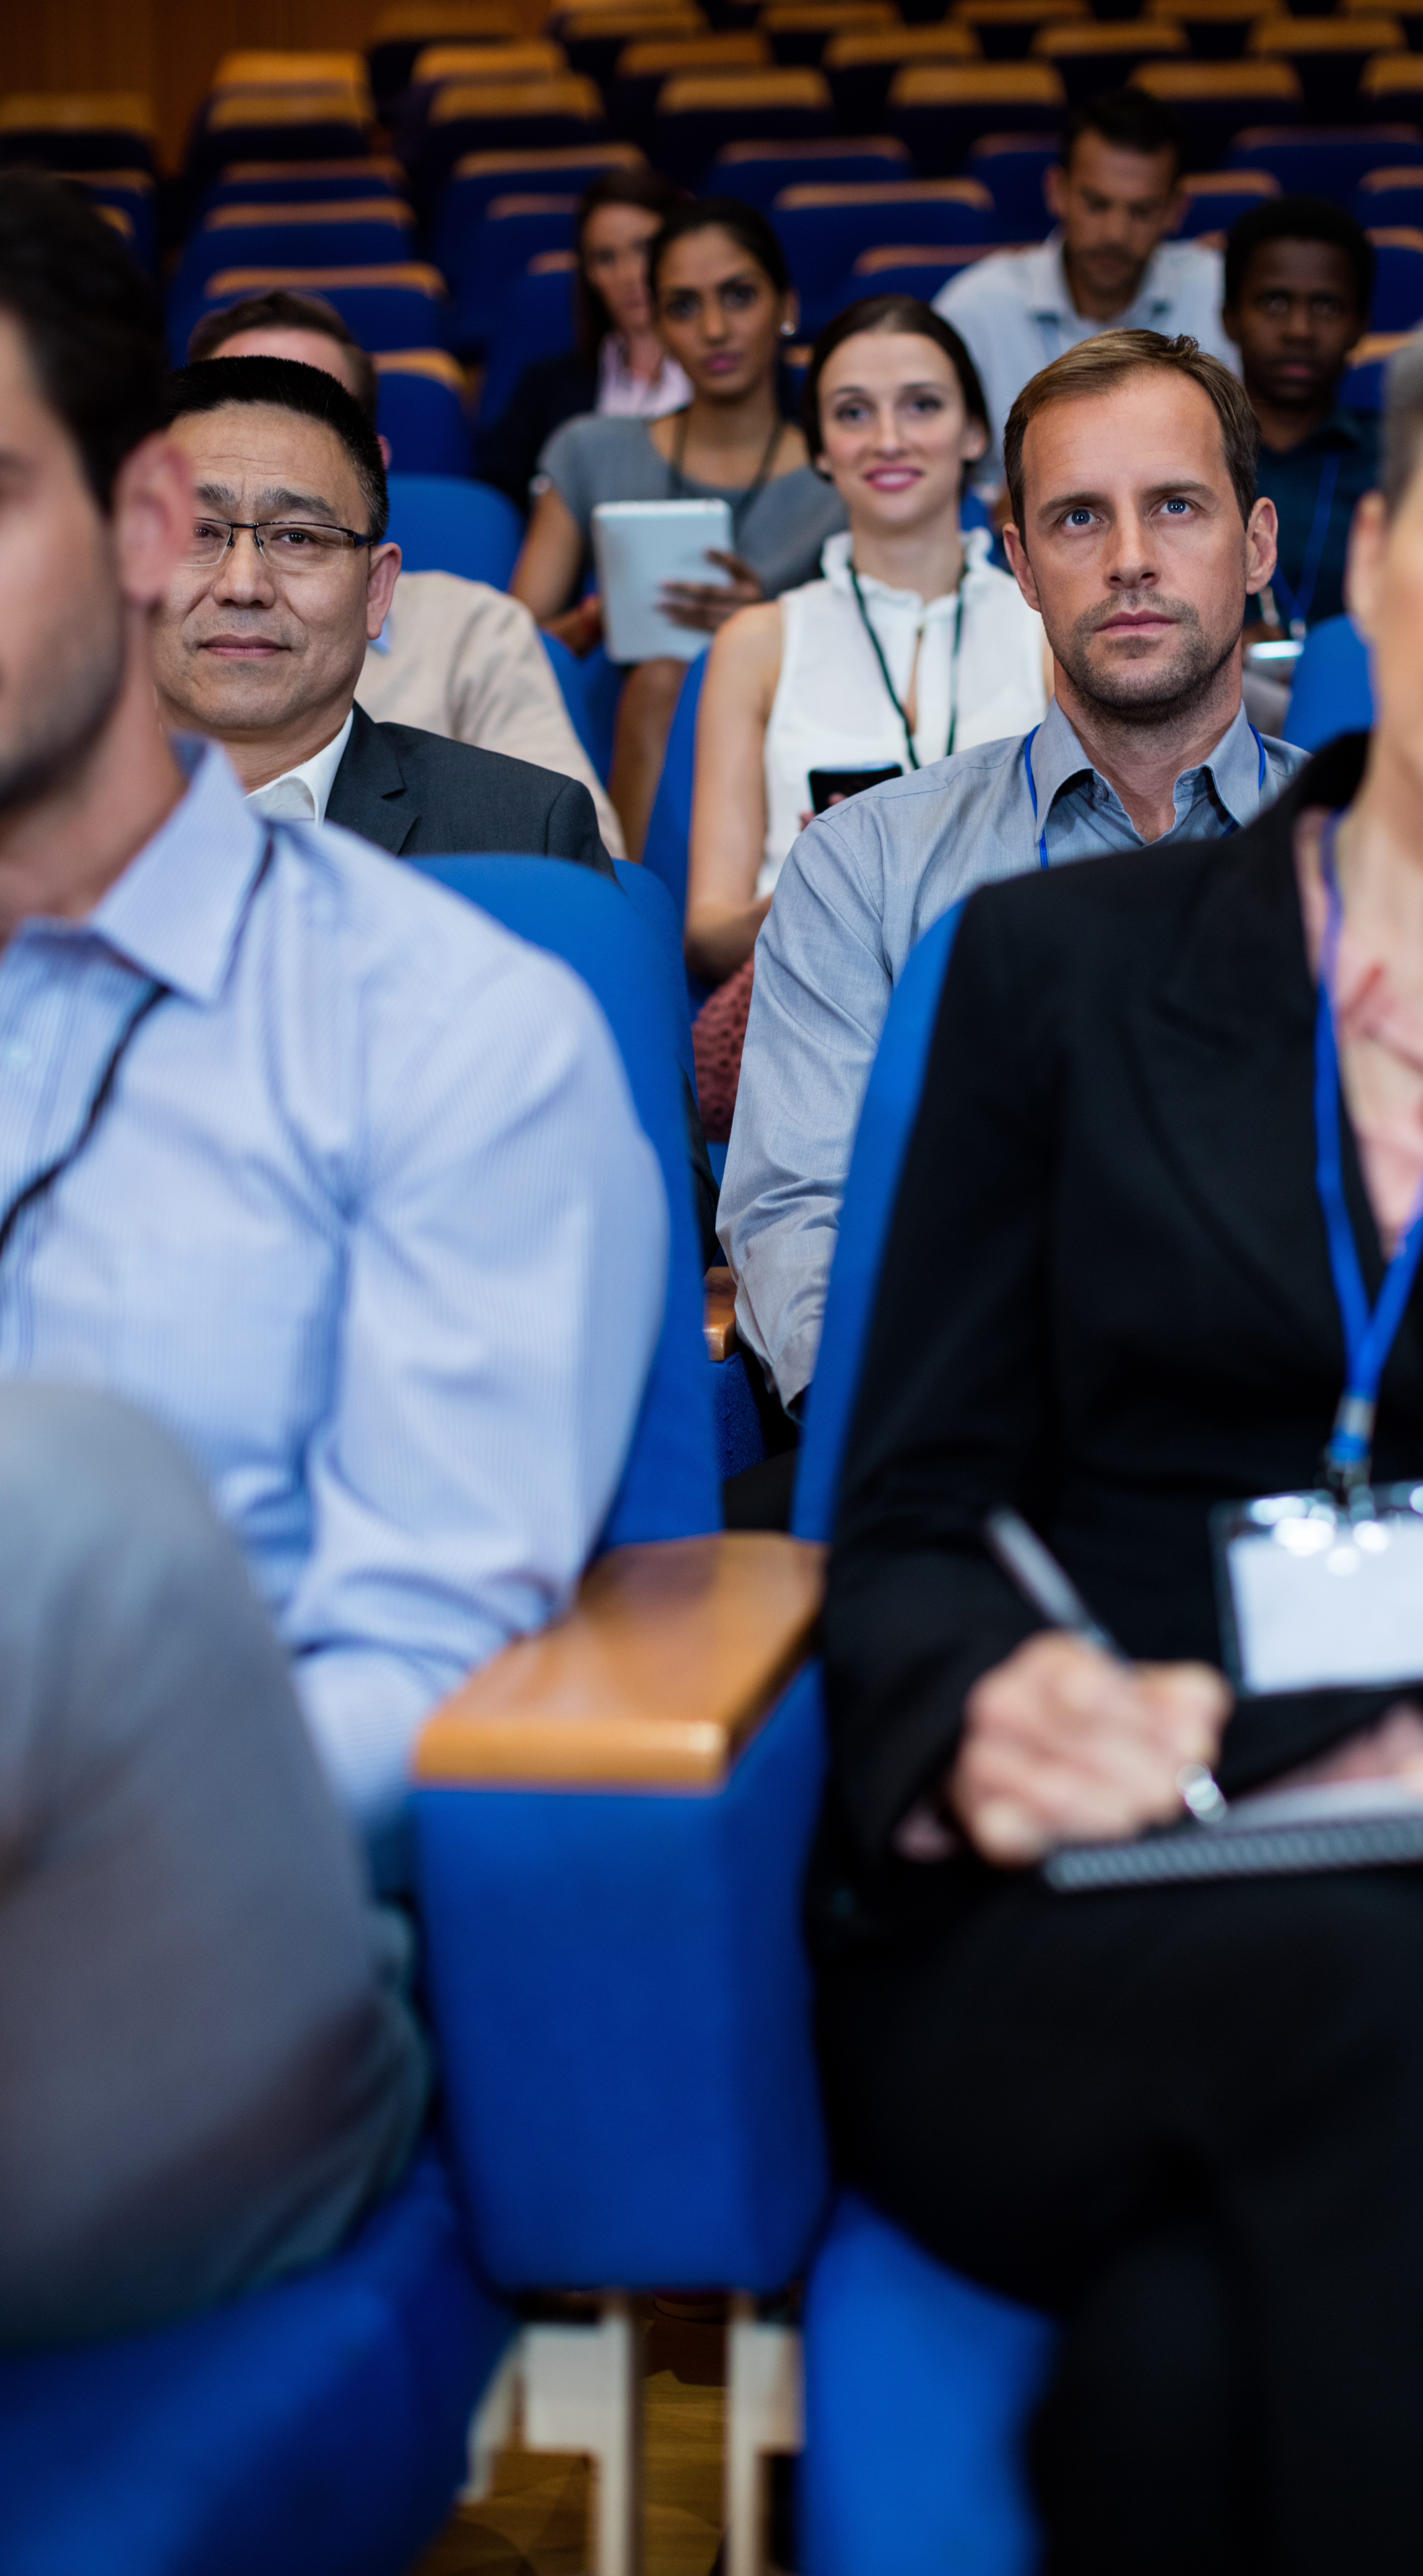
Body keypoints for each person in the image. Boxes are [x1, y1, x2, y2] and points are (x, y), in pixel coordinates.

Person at [815, 262, 1423, 2576]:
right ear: (1375, 555)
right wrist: (990, 1697)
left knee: (1190, 2365)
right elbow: (908, 1511)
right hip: (1106, 1904)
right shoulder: (1048, 976)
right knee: (1416, 2018)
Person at [0, 176, 666, 2341]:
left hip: (209, 1949)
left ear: (141, 524)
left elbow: (423, 1653)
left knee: (64, 1486)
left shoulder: (453, 1023)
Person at [720, 327, 1299, 1418]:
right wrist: (907, 1430)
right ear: (1022, 565)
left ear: (1255, 545)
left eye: (1175, 505)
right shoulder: (865, 864)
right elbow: (801, 1210)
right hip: (974, 1442)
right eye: (1079, 516)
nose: (1130, 556)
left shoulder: (1382, 854)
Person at [684, 296, 1049, 1126]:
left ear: (971, 434)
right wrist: (829, 882)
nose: (889, 438)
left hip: (1004, 1007)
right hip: (814, 1022)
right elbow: (708, 935)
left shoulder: (1044, 629)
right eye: (854, 412)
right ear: (820, 447)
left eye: (922, 405)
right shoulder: (760, 639)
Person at [189, 290, 625, 857]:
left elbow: (572, 865)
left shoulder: (475, 629)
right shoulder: (128, 644)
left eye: (311, 417)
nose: (243, 585)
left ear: (373, 460)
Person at [511, 198, 849, 860]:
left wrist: (767, 622)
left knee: (676, 674)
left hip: (789, 722)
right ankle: (633, 911)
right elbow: (509, 645)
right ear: (657, 325)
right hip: (616, 720)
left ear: (786, 306)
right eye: (685, 308)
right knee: (663, 673)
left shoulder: (839, 475)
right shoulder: (591, 449)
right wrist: (597, 619)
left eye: (740, 296)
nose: (716, 329)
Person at [935, 93, 1238, 500]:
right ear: (1057, 191)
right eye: (1096, 205)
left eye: (1142, 211)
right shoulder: (976, 309)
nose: (1115, 233)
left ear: (1176, 210)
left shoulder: (1221, 294)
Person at [475, 168, 691, 513]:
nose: (628, 275)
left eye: (644, 249)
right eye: (605, 258)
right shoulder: (544, 388)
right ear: (588, 275)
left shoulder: (732, 370)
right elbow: (493, 507)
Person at [1223, 195, 1378, 639]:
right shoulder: (1180, 456)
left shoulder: (1402, 464)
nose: (1299, 331)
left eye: (1326, 307)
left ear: (1361, 325)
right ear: (1230, 317)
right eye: (1274, 303)